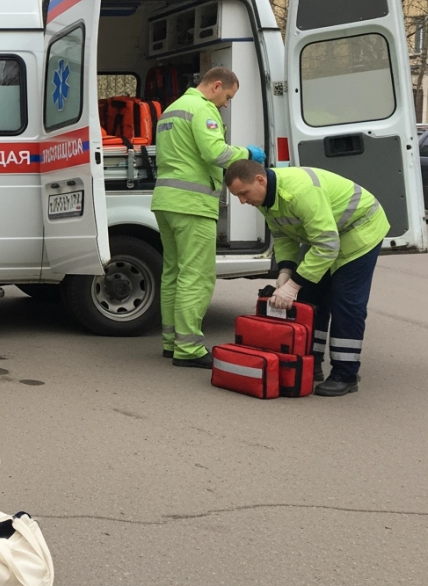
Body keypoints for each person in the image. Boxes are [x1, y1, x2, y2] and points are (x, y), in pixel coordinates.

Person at [224, 160, 388, 397]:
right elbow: (282, 235)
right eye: (237, 195)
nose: (242, 201)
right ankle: (312, 365)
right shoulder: (265, 198)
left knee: (346, 302)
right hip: (327, 240)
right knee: (311, 301)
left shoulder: (299, 193)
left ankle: (345, 374)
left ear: (260, 180)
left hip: (359, 231)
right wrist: (286, 270)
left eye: (243, 193)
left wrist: (293, 285)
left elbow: (327, 246)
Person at [150, 67, 265, 368]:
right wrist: (248, 154)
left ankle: (171, 342)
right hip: (192, 204)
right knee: (196, 275)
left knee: (173, 272)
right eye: (227, 96)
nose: (226, 104)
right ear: (216, 86)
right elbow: (216, 153)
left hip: (165, 201)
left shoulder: (171, 110)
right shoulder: (202, 110)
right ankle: (188, 350)